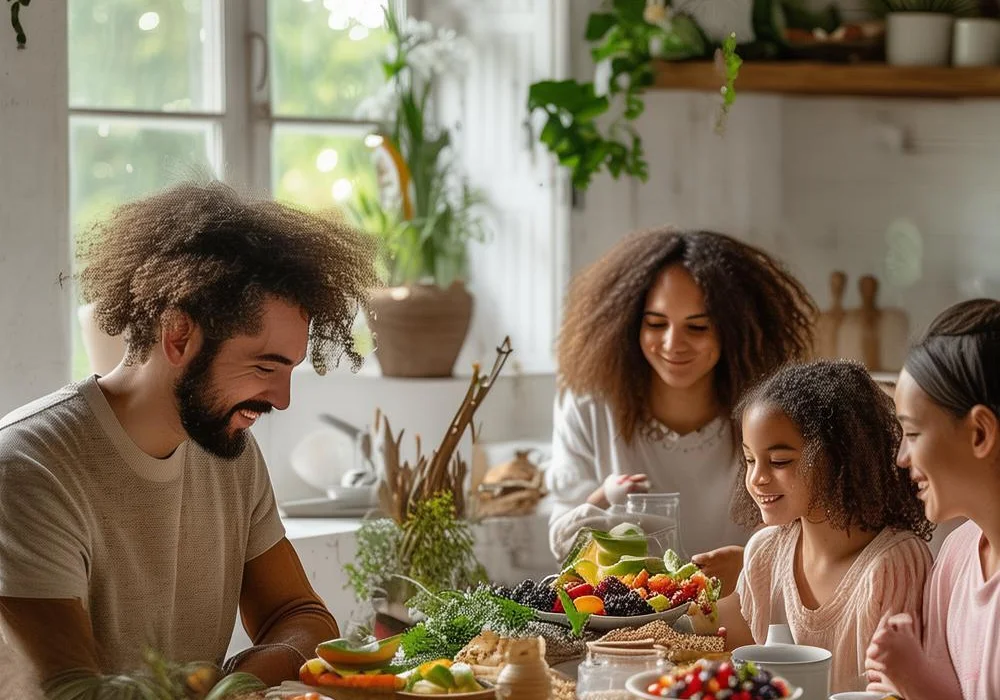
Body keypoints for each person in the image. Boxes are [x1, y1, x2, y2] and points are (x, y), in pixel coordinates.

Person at [0, 182, 379, 688]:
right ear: (178, 335)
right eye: (266, 366)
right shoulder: (27, 470)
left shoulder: (232, 453)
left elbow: (301, 615)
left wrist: (240, 680)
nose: (282, 400)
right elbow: (70, 689)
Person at [545, 227, 816, 594]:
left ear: (734, 329)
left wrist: (757, 564)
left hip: (746, 616)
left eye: (698, 326)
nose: (674, 344)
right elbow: (566, 541)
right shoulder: (589, 404)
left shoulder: (776, 410)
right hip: (626, 624)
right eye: (656, 324)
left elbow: (813, 532)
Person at [715, 360, 933, 692]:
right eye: (749, 459)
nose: (757, 477)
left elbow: (894, 690)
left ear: (839, 458)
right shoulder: (766, 550)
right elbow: (735, 645)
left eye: (779, 462)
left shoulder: (892, 566)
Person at [865, 299, 1000, 700]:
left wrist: (916, 682)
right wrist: (903, 682)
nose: (902, 459)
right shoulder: (956, 556)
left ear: (979, 433)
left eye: (914, 434)